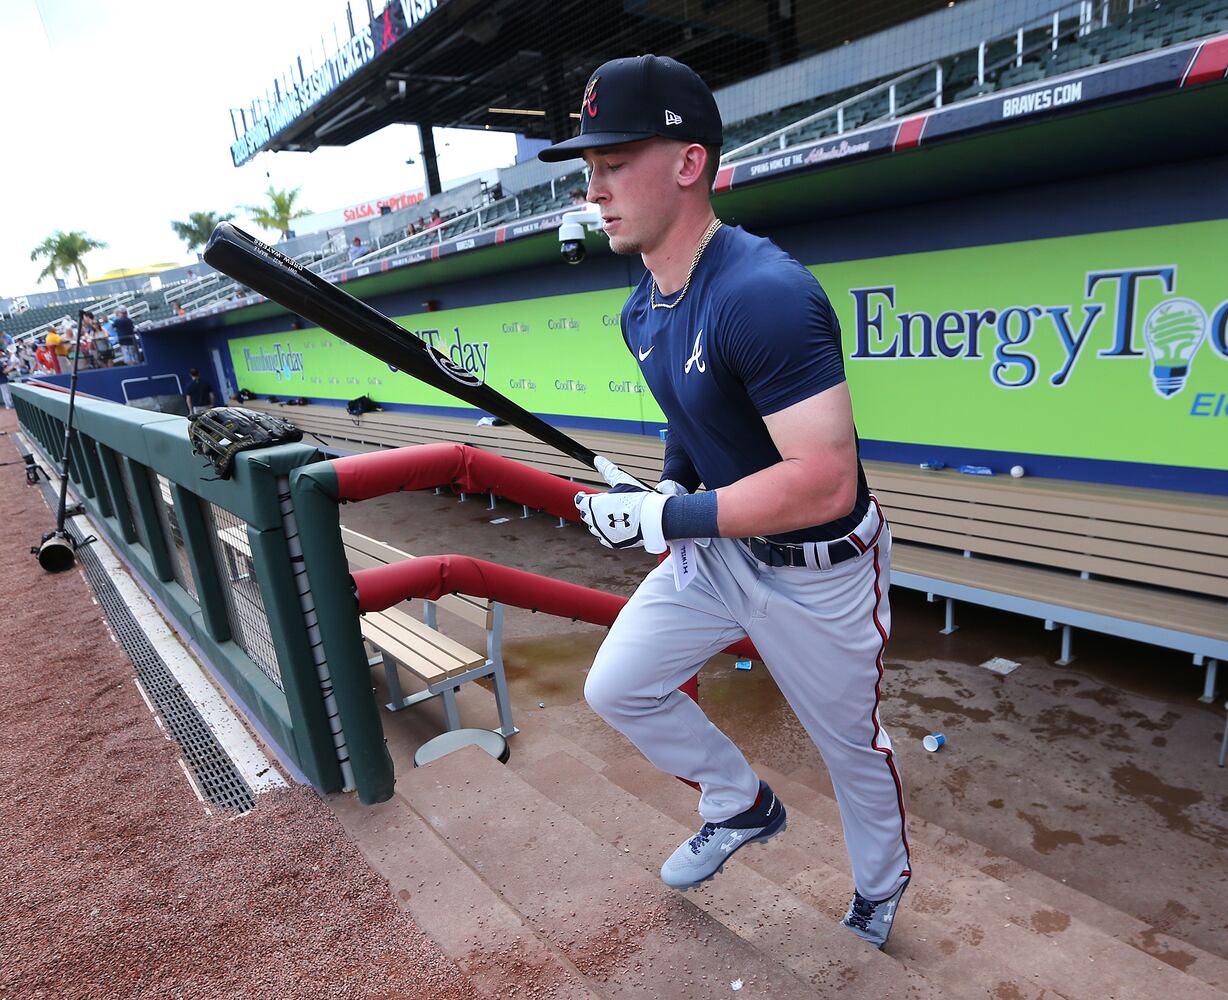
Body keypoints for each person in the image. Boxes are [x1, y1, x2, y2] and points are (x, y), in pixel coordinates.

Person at [541, 55, 911, 950]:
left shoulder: (765, 293)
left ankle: (879, 890)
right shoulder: (642, 308)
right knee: (618, 684)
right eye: (589, 167)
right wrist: (668, 485)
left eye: (615, 161)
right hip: (719, 554)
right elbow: (692, 420)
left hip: (822, 571)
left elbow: (821, 479)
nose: (596, 187)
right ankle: (739, 802)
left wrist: (668, 519)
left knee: (851, 750)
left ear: (688, 161)